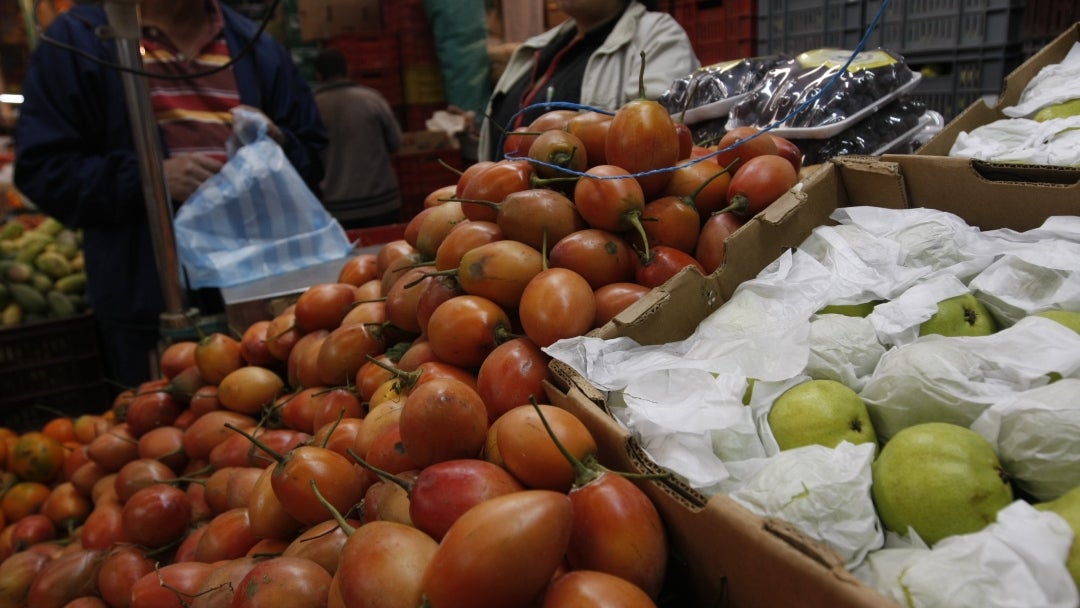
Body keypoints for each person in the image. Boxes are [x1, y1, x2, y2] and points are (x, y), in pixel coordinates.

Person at [14, 0, 327, 390]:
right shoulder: (80, 41)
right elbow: (44, 169)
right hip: (149, 301)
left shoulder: (255, 43)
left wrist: (280, 147)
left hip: (263, 301)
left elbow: (313, 156)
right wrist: (147, 179)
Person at [478, 0, 700, 161]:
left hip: (569, 217)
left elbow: (653, 139)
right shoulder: (540, 46)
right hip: (508, 214)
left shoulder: (659, 36)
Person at [311, 48, 404, 230]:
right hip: (381, 201)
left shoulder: (312, 107)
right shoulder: (371, 99)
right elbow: (396, 141)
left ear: (319, 74)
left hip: (337, 206)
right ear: (347, 69)